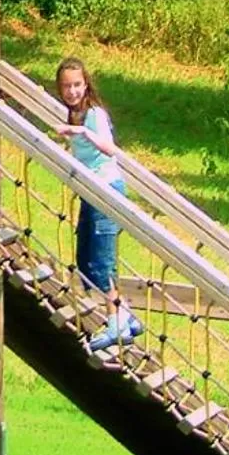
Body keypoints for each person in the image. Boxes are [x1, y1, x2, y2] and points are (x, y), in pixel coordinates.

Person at [53, 55, 143, 351]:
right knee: (85, 261)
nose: (72, 91)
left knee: (102, 260)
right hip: (91, 192)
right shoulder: (72, 113)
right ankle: (126, 315)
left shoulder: (93, 114)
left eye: (77, 85)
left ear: (86, 85)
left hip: (106, 189)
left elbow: (109, 148)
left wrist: (82, 132)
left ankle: (116, 322)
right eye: (66, 86)